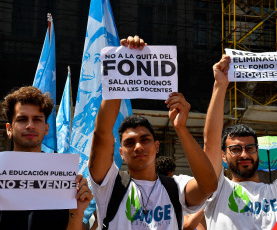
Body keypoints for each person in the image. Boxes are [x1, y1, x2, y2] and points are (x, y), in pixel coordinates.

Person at [88, 36, 218, 229]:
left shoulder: (176, 187)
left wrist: (181, 128)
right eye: (129, 143)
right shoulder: (109, 187)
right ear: (121, 152)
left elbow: (209, 186)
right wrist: (120, 72)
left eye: (145, 140)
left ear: (157, 147)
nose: (138, 146)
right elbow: (102, 133)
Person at [202, 55, 277, 229]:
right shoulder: (217, 191)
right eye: (235, 149)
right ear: (223, 156)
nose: (244, 154)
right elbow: (210, 142)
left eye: (250, 148)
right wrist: (220, 85)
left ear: (257, 151)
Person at [0, 86, 93, 230]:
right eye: (22, 119)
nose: (30, 126)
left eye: (37, 119)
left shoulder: (67, 182)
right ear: (9, 129)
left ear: (47, 128)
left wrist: (77, 214)